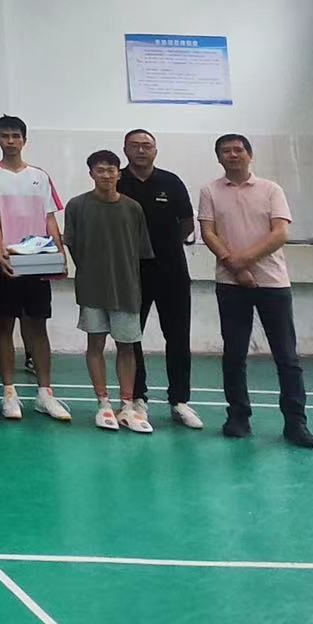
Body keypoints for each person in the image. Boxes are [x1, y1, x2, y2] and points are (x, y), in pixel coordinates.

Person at [198, 134, 313, 449]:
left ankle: (295, 422)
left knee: (287, 356)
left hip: (273, 283)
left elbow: (280, 233)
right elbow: (208, 232)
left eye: (238, 150)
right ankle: (238, 417)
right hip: (230, 285)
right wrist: (234, 267)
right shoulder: (210, 191)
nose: (233, 155)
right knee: (234, 354)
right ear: (219, 158)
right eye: (226, 151)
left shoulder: (271, 189)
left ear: (250, 155)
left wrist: (244, 261)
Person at [0, 115, 71, 422]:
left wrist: (60, 254)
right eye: (5, 136)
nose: (11, 141)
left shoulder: (40, 177)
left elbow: (49, 218)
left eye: (16, 136)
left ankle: (45, 394)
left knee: (37, 327)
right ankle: (9, 393)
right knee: (4, 328)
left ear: (24, 140)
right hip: (4, 265)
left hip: (37, 262)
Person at [63, 150, 154, 433]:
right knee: (96, 344)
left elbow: (141, 251)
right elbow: (73, 245)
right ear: (91, 174)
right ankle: (103, 403)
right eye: (100, 170)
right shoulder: (77, 206)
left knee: (127, 346)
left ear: (119, 173)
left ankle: (126, 405)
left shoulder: (133, 208)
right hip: (92, 289)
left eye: (111, 170)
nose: (106, 175)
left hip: (127, 289)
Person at [119, 128, 200, 429]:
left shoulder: (171, 182)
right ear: (125, 150)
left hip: (172, 272)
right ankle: (137, 397)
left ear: (155, 150)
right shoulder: (117, 181)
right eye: (135, 145)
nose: (141, 150)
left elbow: (187, 224)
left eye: (147, 145)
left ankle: (180, 401)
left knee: (178, 336)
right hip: (131, 273)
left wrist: (163, 247)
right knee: (131, 336)